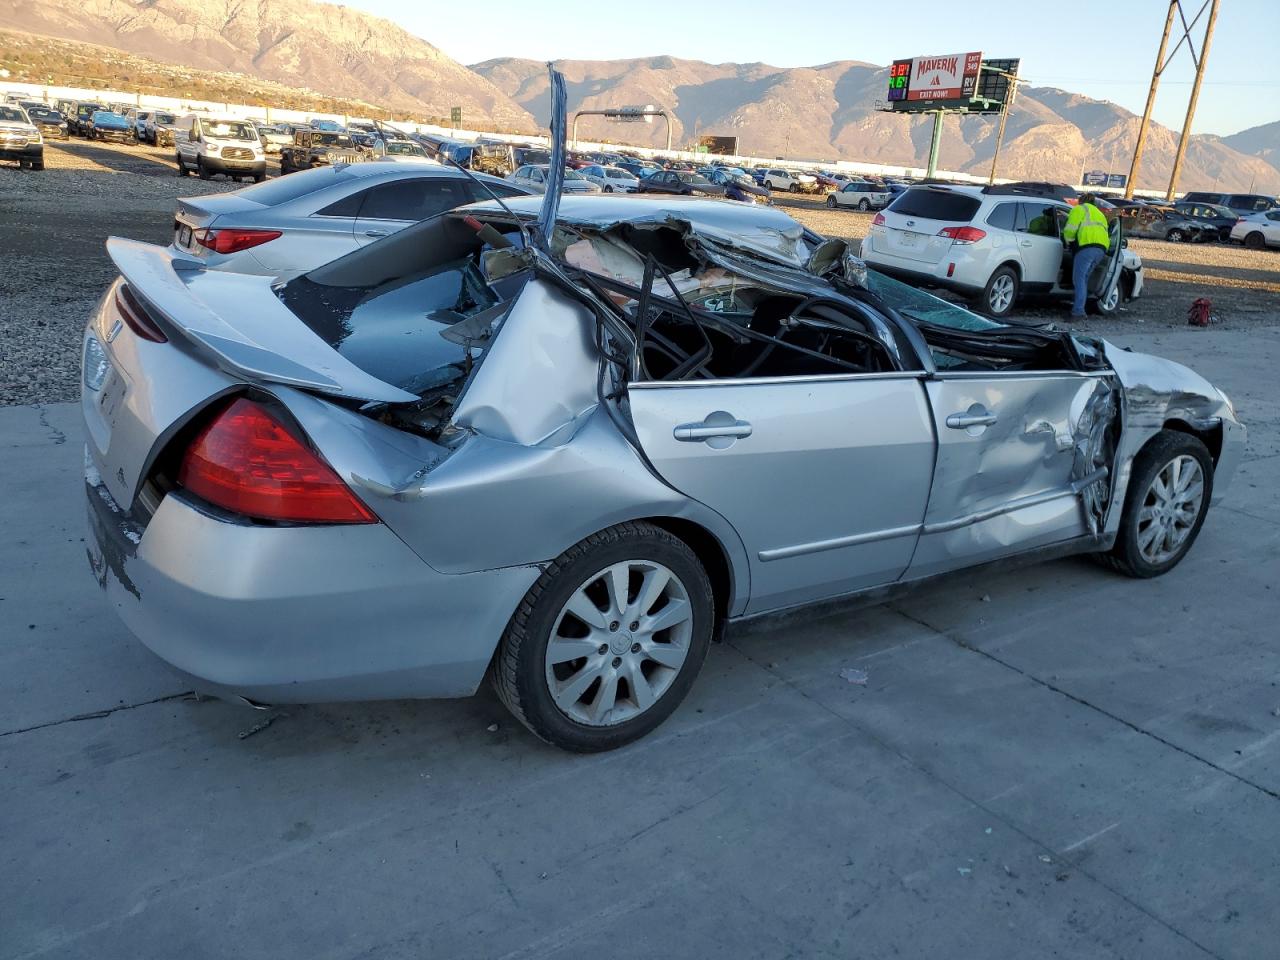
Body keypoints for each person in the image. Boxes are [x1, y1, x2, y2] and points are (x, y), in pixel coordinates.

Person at [1062, 193, 1111, 319]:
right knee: (1083, 279)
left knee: (1078, 279)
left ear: (1080, 201)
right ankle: (1081, 307)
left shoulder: (1079, 209)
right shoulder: (1100, 214)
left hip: (1086, 247)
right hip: (1101, 250)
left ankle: (1078, 312)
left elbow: (1070, 229)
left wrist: (1068, 241)